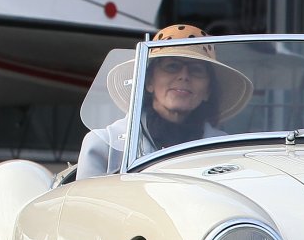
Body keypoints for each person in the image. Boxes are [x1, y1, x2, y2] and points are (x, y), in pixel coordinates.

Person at [77, 24, 253, 178]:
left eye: (196, 70)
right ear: (148, 82)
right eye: (172, 66)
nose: (184, 76)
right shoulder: (105, 146)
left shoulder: (227, 151)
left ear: (208, 91)